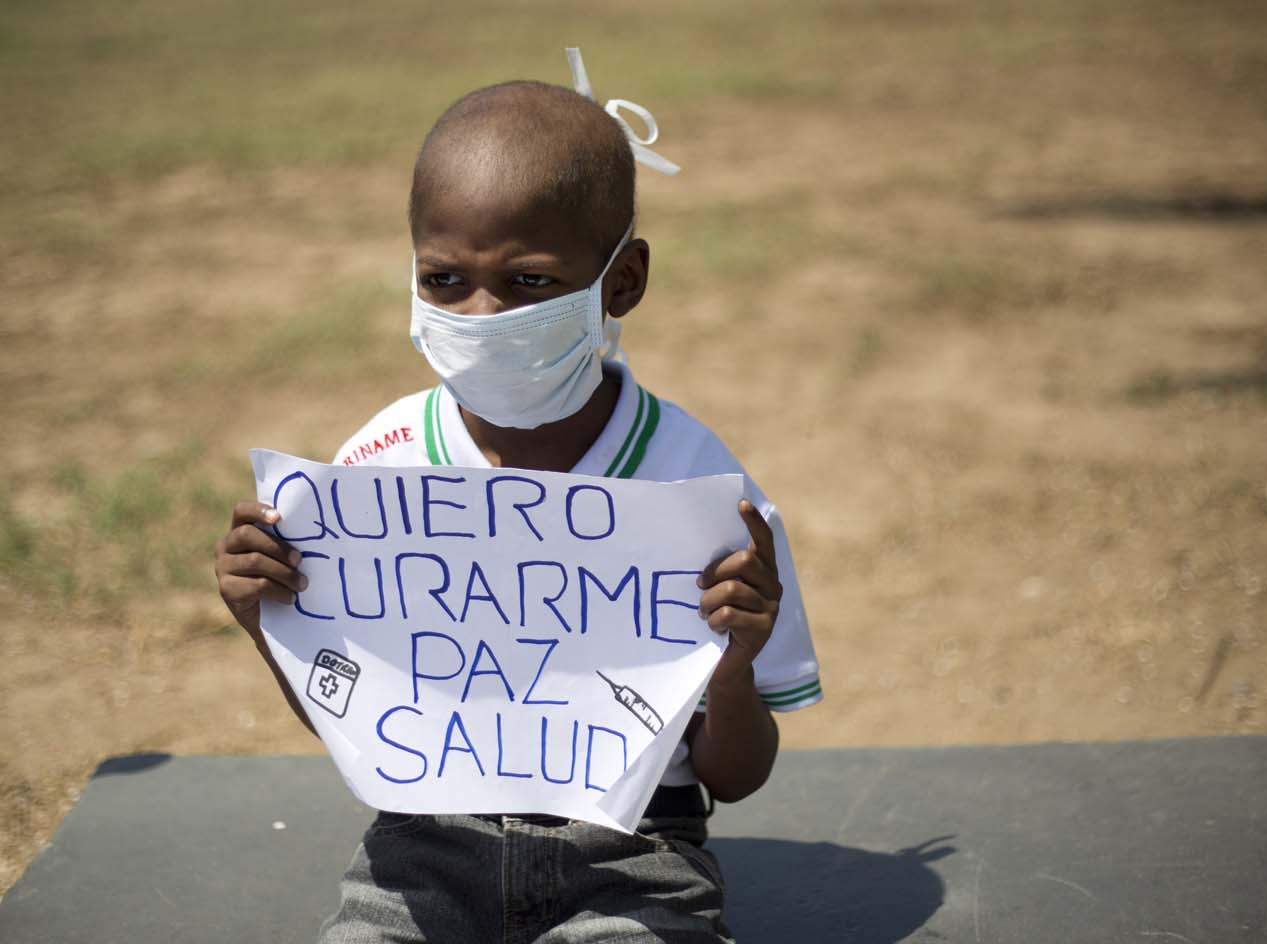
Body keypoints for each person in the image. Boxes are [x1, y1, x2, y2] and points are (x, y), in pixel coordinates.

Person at [213, 54, 820, 943]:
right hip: (423, 850)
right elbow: (356, 716)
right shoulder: (376, 469)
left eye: (530, 281)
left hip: (634, 853)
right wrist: (266, 624)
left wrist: (734, 661)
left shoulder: (701, 490)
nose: (482, 315)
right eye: (443, 280)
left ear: (623, 282)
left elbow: (736, 776)